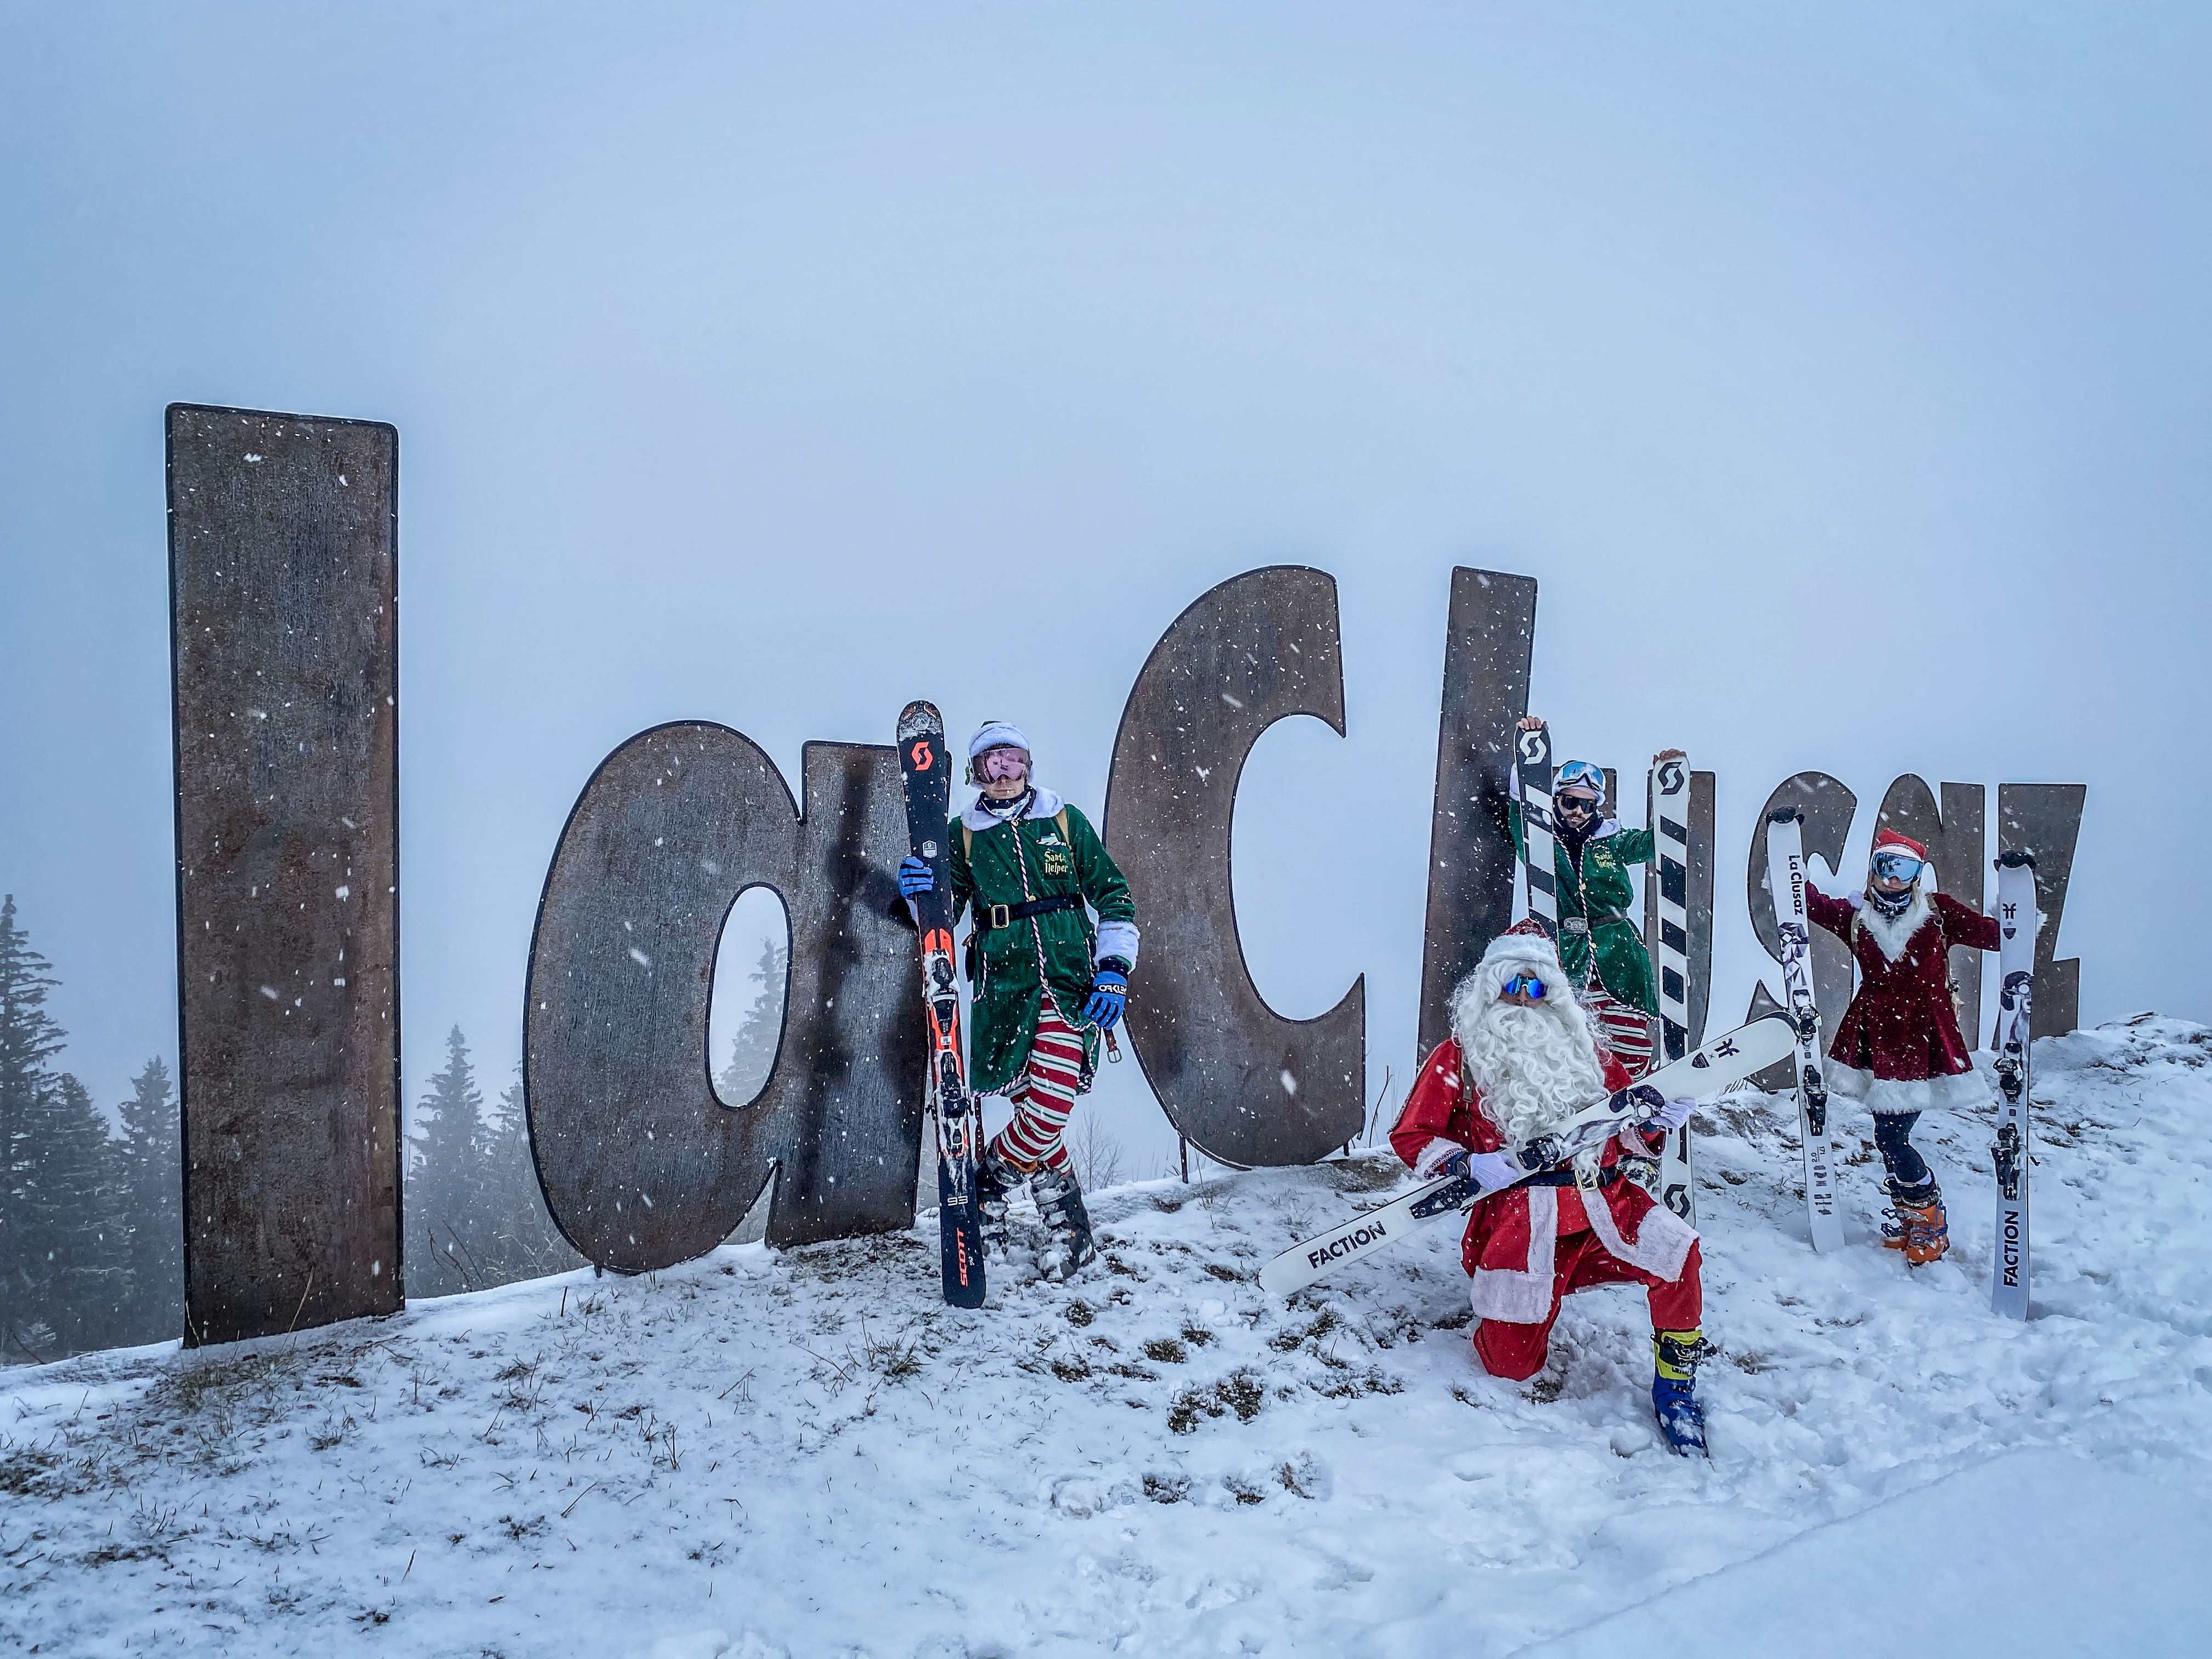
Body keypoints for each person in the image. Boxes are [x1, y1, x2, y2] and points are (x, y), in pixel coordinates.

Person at [1390, 921, 1711, 1455]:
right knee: (1509, 1367)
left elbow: (1623, 1136)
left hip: (1605, 1210)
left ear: (1553, 994)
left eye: (1534, 986)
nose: (1521, 997)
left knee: (1680, 1256)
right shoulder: (1460, 1057)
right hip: (1522, 1227)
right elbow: (1412, 1136)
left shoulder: (1588, 1055)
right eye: (1510, 983)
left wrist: (1658, 1120)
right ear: (1489, 986)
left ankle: (1676, 1388)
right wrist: (1467, 1164)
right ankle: (1536, 1303)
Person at [897, 721, 1138, 1281]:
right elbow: (942, 914)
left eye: (1012, 762)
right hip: (1003, 988)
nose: (1003, 775)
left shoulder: (1062, 820)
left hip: (1070, 980)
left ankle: (986, 1186)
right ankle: (1071, 1234)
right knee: (1037, 1112)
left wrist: (1113, 971)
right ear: (975, 775)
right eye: (991, 765)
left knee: (1050, 1104)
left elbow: (1114, 895)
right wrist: (919, 893)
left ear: (1028, 764)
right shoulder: (964, 835)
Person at [1804, 828, 2001, 1267]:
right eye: (1884, 867)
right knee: (1885, 1134)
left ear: (1916, 875)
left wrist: (2016, 905)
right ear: (1873, 871)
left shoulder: (1937, 912)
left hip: (1923, 1033)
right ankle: (1910, 1217)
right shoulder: (1856, 917)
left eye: (1904, 869)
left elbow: (1994, 935)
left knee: (1894, 1136)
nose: (1893, 879)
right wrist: (1787, 863)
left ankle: (1930, 1220)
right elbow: (1811, 904)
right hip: (1876, 1034)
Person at [1505, 717, 1684, 1079]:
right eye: (1571, 801)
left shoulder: (1614, 840)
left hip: (1618, 952)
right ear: (1556, 799)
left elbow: (1657, 842)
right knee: (1571, 1043)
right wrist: (1525, 750)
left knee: (1628, 1046)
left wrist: (1670, 791)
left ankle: (1632, 1110)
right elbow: (1515, 818)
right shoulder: (1541, 843)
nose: (1578, 812)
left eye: (1587, 805)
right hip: (1568, 953)